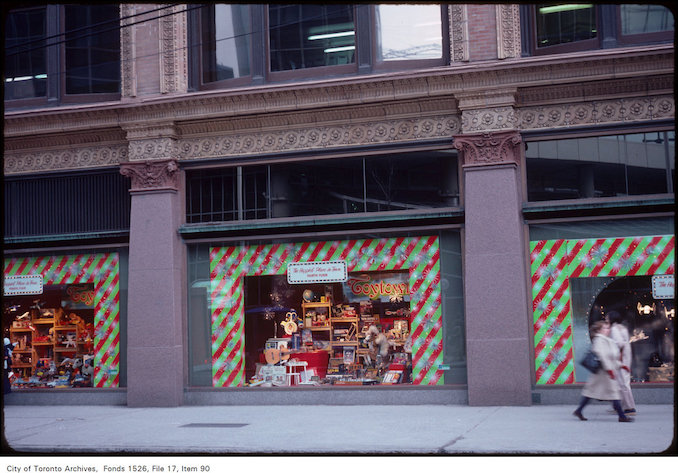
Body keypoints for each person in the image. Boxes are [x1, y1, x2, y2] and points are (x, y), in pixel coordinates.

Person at [573, 320, 633, 422]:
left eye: (608, 328)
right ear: (599, 330)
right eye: (605, 328)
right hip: (604, 372)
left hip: (605, 372)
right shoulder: (599, 340)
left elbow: (612, 357)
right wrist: (610, 370)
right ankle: (622, 416)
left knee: (591, 392)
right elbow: (602, 356)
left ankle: (579, 410)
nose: (608, 330)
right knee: (613, 393)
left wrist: (621, 366)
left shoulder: (606, 340)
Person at [608, 310, 636, 416]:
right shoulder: (622, 327)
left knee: (623, 383)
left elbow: (618, 343)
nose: (606, 320)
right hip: (625, 358)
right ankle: (619, 406)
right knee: (622, 383)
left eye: (607, 318)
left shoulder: (614, 328)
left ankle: (629, 407)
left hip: (621, 359)